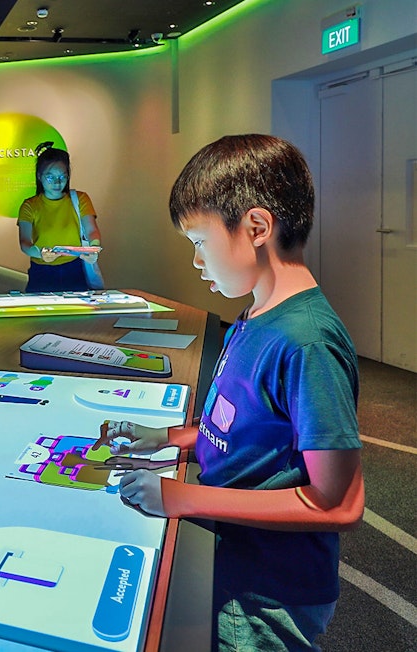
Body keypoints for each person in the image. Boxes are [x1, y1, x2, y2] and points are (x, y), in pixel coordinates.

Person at [94, 135, 364, 651]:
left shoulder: (306, 341)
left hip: (266, 593)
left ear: (257, 228)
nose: (197, 261)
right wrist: (171, 438)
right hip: (232, 558)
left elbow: (339, 504)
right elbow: (247, 432)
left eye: (199, 241)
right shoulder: (256, 315)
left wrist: (181, 496)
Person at [17, 144, 102, 292]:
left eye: (62, 177)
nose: (57, 182)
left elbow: (91, 230)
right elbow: (25, 243)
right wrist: (41, 253)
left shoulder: (80, 199)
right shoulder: (30, 205)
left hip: (74, 269)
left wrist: (93, 249)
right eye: (50, 177)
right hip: (42, 272)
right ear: (39, 176)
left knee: (77, 313)